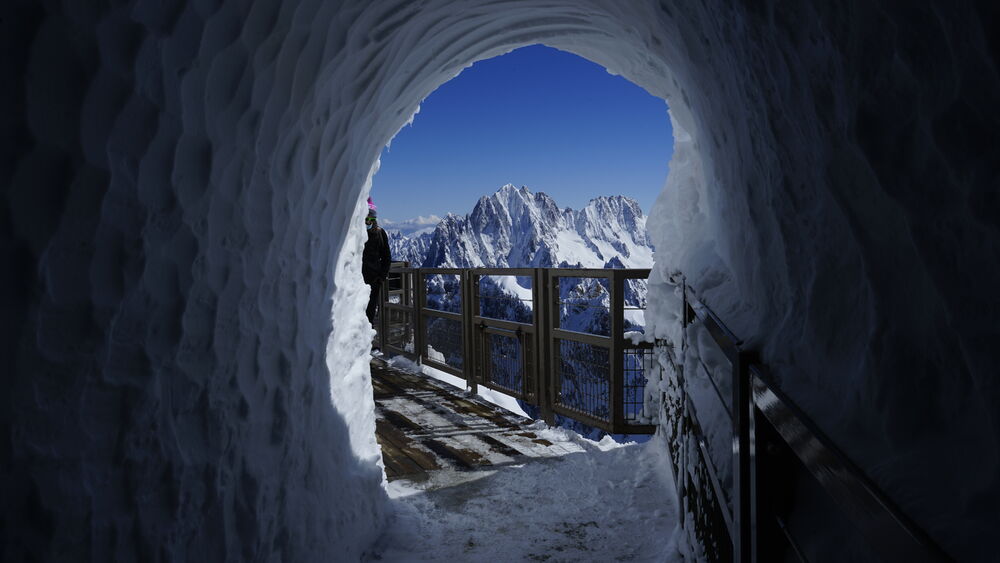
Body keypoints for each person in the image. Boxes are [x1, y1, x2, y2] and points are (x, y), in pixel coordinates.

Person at [362, 203, 392, 329]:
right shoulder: (357, 234)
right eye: (366, 219)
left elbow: (386, 256)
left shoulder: (380, 233)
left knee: (370, 312)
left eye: (371, 219)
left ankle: (367, 340)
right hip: (359, 280)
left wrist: (381, 277)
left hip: (373, 280)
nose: (368, 222)